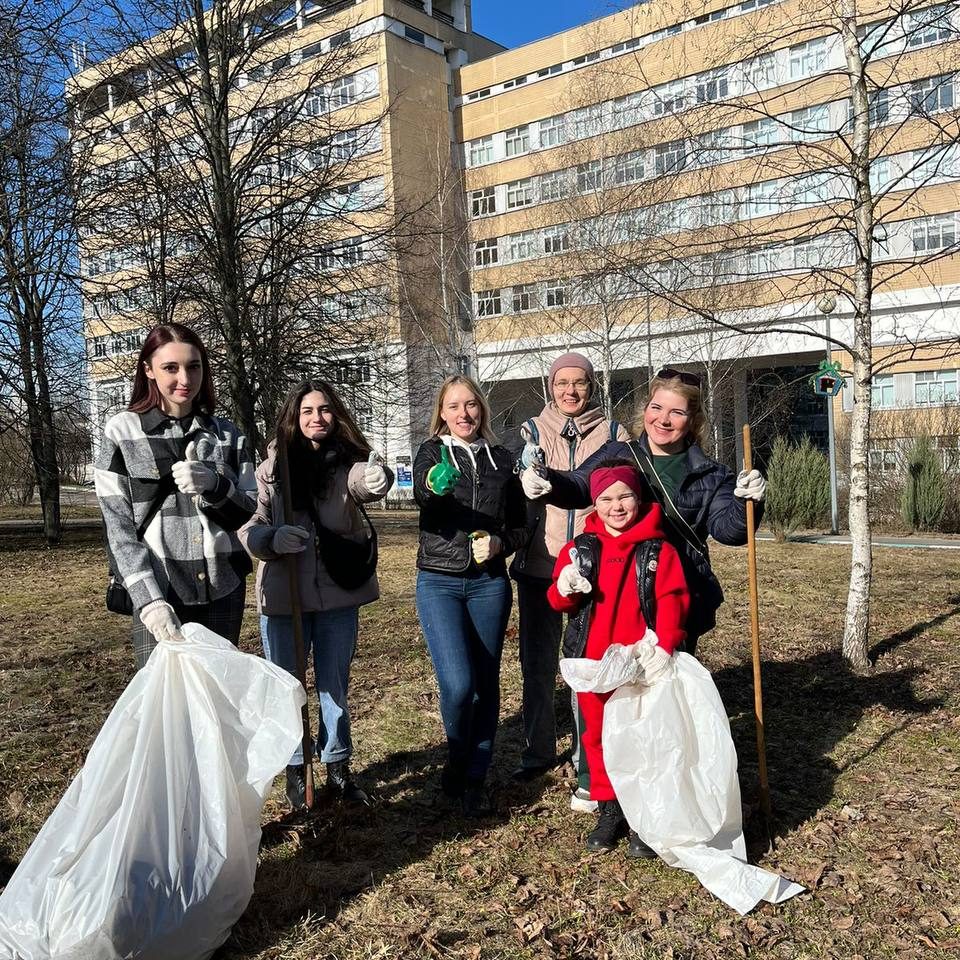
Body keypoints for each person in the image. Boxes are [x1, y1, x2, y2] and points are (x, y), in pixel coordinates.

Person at [521, 367, 765, 657]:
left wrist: (746, 501)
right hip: (614, 594)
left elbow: (730, 531)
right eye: (656, 407)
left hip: (673, 598)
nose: (663, 419)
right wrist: (543, 477)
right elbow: (577, 485)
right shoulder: (620, 453)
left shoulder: (711, 474)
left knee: (663, 691)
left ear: (693, 420)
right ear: (646, 409)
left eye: (677, 412)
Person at [239, 380, 393, 810]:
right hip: (283, 596)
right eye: (307, 411)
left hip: (336, 595)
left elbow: (365, 482)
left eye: (324, 410)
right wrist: (270, 538)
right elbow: (251, 524)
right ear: (294, 416)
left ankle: (338, 767)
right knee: (287, 688)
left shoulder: (348, 461)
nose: (317, 418)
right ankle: (296, 769)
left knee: (333, 685)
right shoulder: (272, 468)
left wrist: (382, 478)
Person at [95, 323, 257, 669]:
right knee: (164, 714)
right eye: (171, 367)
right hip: (160, 591)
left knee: (217, 703)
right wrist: (150, 602)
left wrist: (215, 485)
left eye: (194, 366)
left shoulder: (228, 435)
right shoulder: (121, 432)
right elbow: (119, 531)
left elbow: (249, 511)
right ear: (149, 370)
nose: (184, 379)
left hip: (222, 587)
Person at [548, 462, 689, 855]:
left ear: (638, 498)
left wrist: (663, 646)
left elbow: (672, 600)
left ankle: (643, 815)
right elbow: (559, 600)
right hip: (595, 663)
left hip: (640, 662)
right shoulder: (579, 549)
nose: (616, 505)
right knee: (597, 735)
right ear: (595, 504)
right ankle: (610, 808)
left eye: (625, 496)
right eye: (606, 499)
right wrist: (566, 585)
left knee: (642, 735)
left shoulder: (658, 550)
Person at [508, 352, 630, 797]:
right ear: (550, 385)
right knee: (537, 666)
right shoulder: (531, 430)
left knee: (586, 665)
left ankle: (587, 756)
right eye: (562, 383)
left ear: (591, 386)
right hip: (541, 566)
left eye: (579, 383)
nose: (571, 391)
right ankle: (537, 752)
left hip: (593, 569)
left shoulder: (615, 434)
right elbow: (516, 486)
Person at [414, 374, 529, 817]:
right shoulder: (432, 452)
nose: (464, 414)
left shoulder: (503, 460)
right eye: (455, 406)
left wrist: (501, 543)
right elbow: (426, 489)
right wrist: (437, 482)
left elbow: (521, 524)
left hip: (488, 583)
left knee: (485, 682)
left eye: (471, 405)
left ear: (481, 409)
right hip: (439, 579)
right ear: (442, 413)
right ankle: (457, 757)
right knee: (459, 684)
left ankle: (475, 776)